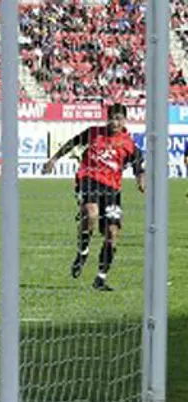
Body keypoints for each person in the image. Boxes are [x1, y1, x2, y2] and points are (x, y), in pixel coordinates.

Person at [43, 103, 145, 291]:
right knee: (91, 213)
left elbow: (138, 162)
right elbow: (72, 143)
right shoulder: (93, 133)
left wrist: (140, 179)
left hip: (112, 190)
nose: (115, 122)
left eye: (119, 119)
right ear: (107, 118)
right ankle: (82, 252)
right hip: (89, 180)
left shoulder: (127, 143)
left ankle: (100, 278)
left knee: (112, 233)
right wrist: (54, 159)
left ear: (124, 120)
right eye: (112, 118)